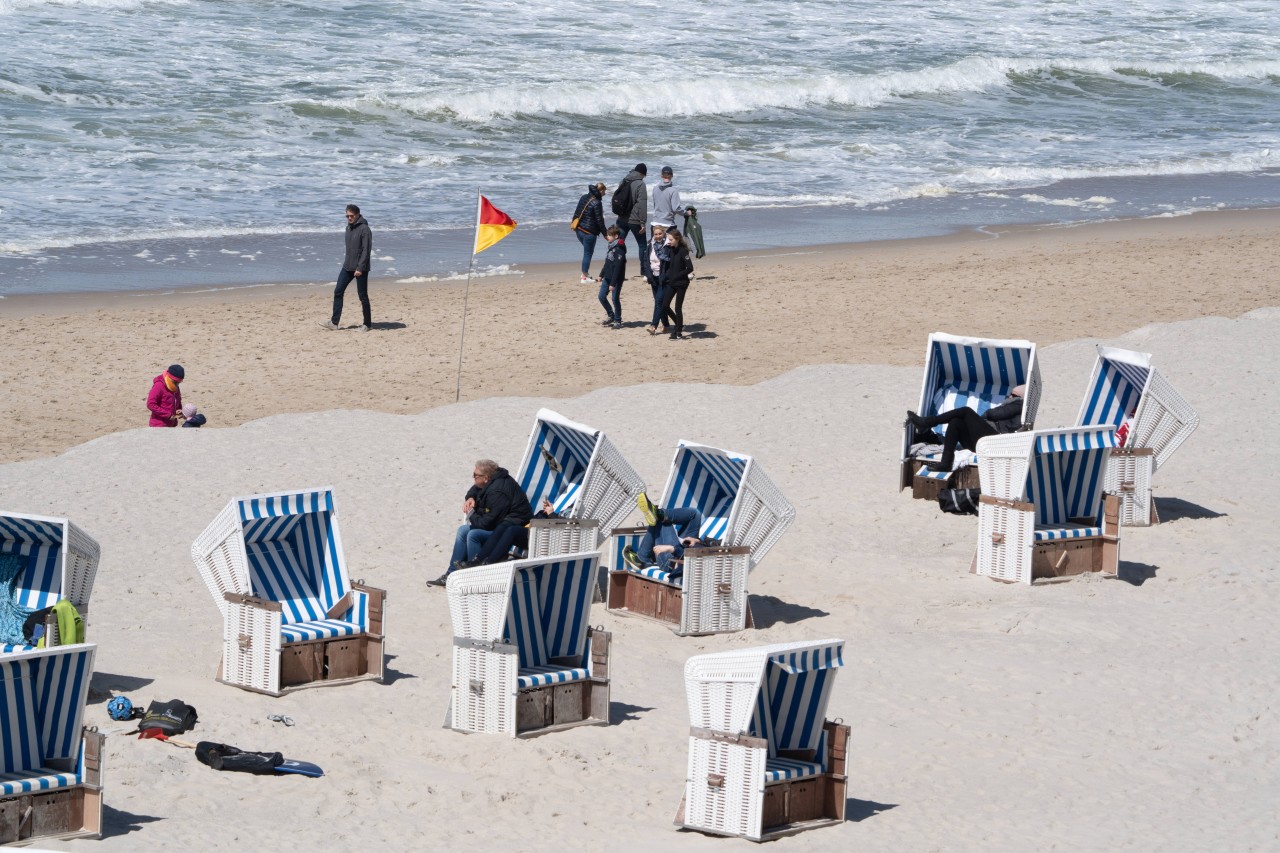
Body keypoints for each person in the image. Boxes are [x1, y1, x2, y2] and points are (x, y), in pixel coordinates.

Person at [428, 459, 533, 587]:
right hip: (499, 524)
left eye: (475, 476)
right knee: (463, 530)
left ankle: (475, 577)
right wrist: (470, 497)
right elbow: (475, 488)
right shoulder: (492, 479)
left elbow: (485, 524)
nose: (473, 478)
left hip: (508, 530)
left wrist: (472, 513)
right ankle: (451, 573)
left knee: (474, 535)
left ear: (486, 478)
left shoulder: (498, 492)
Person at [907, 385, 1027, 471]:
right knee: (956, 422)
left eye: (1013, 395)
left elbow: (993, 414)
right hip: (987, 442)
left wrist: (986, 414)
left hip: (993, 441)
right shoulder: (1022, 409)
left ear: (1020, 397)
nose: (1010, 396)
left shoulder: (1019, 404)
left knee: (966, 411)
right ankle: (946, 463)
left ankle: (926, 422)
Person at [620, 492, 714, 584]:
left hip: (673, 560)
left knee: (662, 523)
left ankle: (640, 559)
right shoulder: (726, 544)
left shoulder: (721, 560)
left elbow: (692, 562)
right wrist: (698, 540)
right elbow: (714, 544)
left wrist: (672, 549)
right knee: (695, 514)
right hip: (689, 547)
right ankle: (659, 513)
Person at [319, 204, 372, 332]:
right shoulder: (348, 228)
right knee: (338, 291)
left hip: (361, 269)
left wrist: (360, 268)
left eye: (351, 216)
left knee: (362, 296)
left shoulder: (365, 229)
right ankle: (334, 322)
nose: (349, 218)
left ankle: (367, 324)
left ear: (358, 214)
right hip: (347, 266)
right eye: (347, 216)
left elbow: (366, 250)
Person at [657, 228, 694, 340]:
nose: (669, 241)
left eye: (671, 239)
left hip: (682, 283)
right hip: (671, 282)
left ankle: (678, 332)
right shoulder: (671, 249)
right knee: (665, 305)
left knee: (678, 307)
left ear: (677, 239)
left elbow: (690, 268)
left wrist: (677, 275)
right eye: (668, 239)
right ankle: (679, 324)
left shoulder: (683, 251)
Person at [615, 164, 649, 278]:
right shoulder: (640, 184)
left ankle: (617, 271)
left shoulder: (624, 180)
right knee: (642, 245)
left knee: (619, 244)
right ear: (642, 173)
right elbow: (642, 204)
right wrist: (643, 222)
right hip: (635, 220)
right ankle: (644, 271)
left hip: (621, 218)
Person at [572, 183, 609, 284]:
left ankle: (585, 273)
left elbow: (577, 212)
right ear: (600, 191)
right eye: (604, 191)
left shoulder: (584, 197)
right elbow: (599, 221)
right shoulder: (597, 203)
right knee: (588, 254)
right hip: (589, 233)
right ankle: (584, 277)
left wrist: (574, 225)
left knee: (586, 252)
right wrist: (605, 234)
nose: (604, 194)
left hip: (579, 230)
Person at [596, 226, 626, 329]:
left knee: (615, 299)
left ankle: (618, 320)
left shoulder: (620, 249)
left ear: (616, 236)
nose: (607, 237)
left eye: (609, 235)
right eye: (607, 235)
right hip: (607, 277)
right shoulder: (611, 246)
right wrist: (601, 275)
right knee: (601, 296)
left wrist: (613, 283)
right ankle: (611, 315)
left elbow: (618, 267)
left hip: (616, 279)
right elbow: (607, 262)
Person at [644, 224, 670, 335]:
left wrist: (666, 276)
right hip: (653, 276)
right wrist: (648, 275)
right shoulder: (650, 244)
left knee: (659, 301)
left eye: (660, 234)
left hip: (664, 277)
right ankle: (666, 325)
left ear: (663, 234)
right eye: (656, 234)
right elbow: (645, 261)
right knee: (660, 303)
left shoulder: (668, 245)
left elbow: (671, 263)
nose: (658, 236)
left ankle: (653, 325)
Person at [650, 166, 686, 230]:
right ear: (672, 175)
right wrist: (686, 213)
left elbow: (656, 205)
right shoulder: (673, 191)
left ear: (661, 175)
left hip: (655, 224)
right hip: (668, 224)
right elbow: (676, 209)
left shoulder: (655, 189)